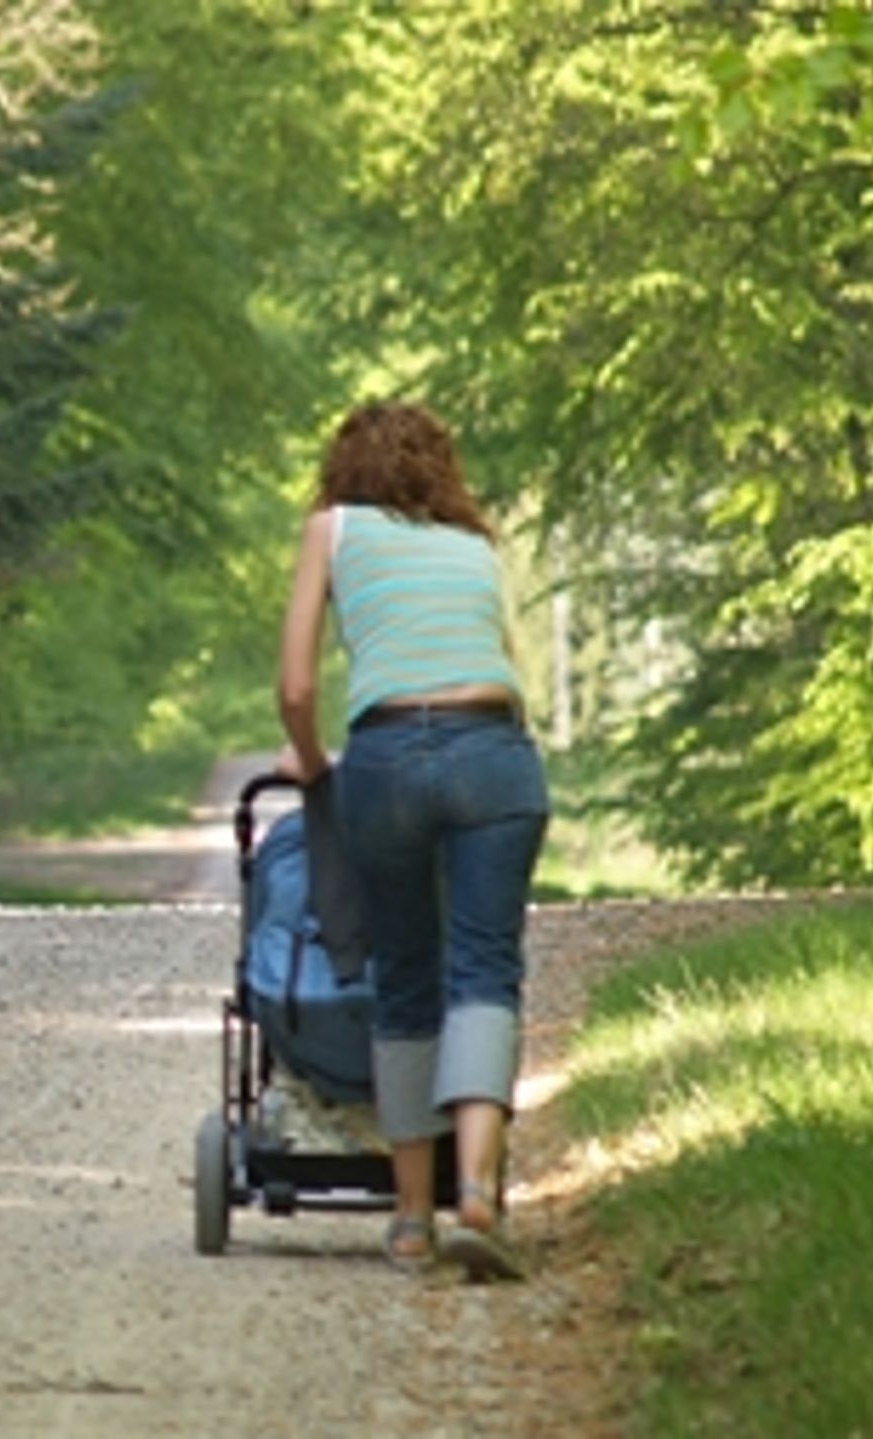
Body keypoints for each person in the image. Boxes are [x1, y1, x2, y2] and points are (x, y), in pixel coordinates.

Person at [274, 401, 550, 1282]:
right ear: (442, 470)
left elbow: (292, 685)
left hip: (386, 757)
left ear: (342, 467)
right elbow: (504, 665)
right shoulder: (478, 547)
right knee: (484, 969)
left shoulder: (332, 528)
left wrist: (316, 765)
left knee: (404, 976)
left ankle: (407, 1220)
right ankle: (476, 1192)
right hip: (494, 751)